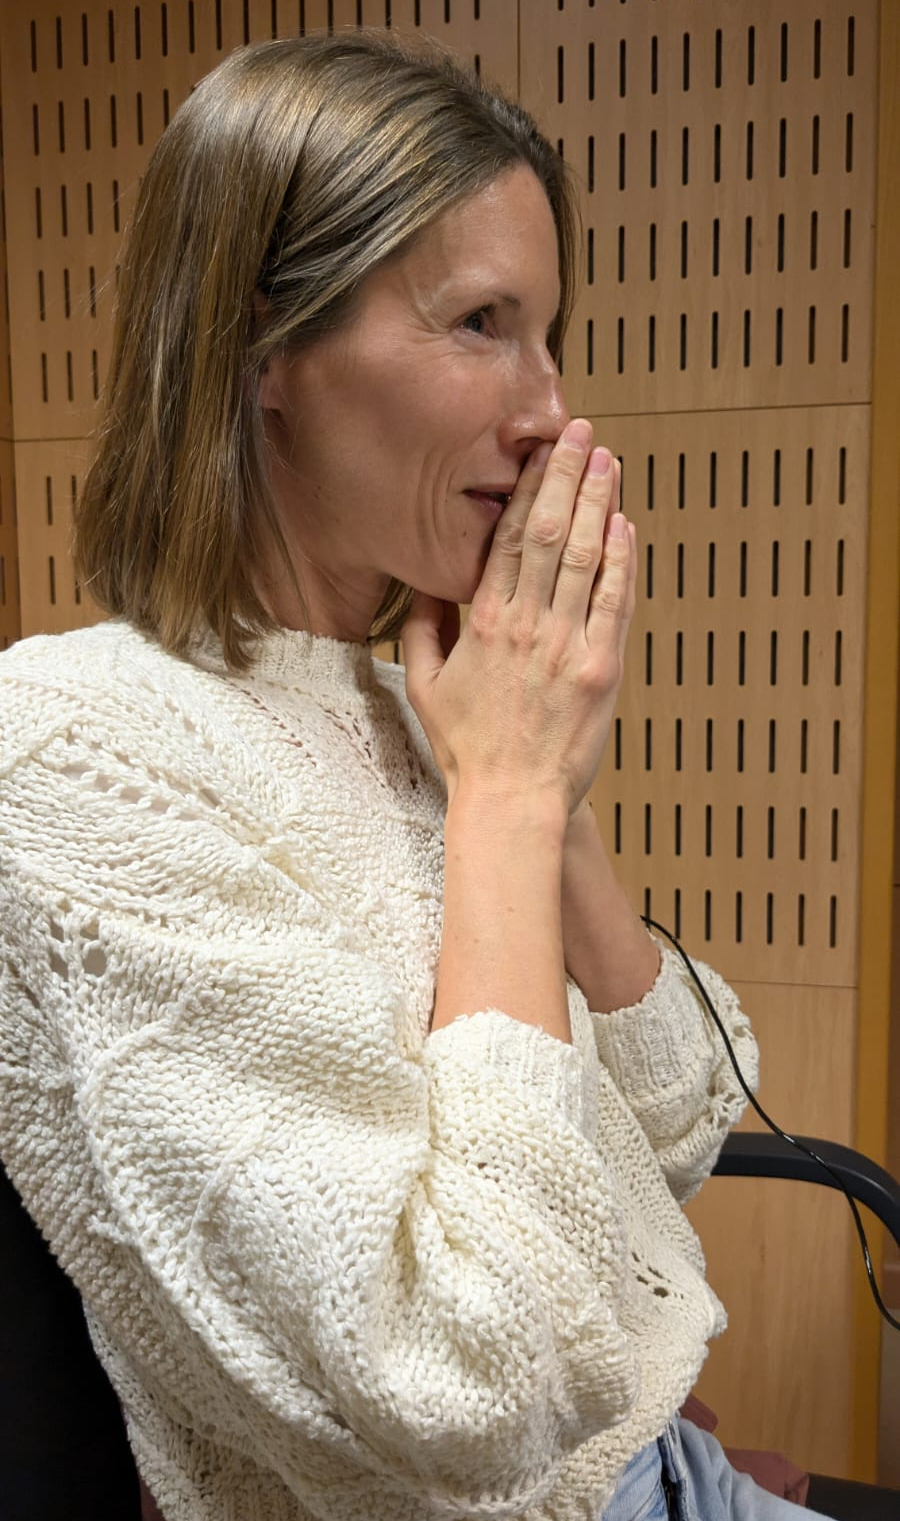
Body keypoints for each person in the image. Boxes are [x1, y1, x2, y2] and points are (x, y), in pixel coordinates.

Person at [0, 30, 831, 1521]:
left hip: (668, 1469)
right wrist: (506, 797)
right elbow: (467, 1380)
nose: (547, 412)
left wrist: (546, 800)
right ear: (264, 349)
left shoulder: (425, 709)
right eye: (480, 322)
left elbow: (691, 1118)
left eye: (550, 332)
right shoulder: (72, 749)